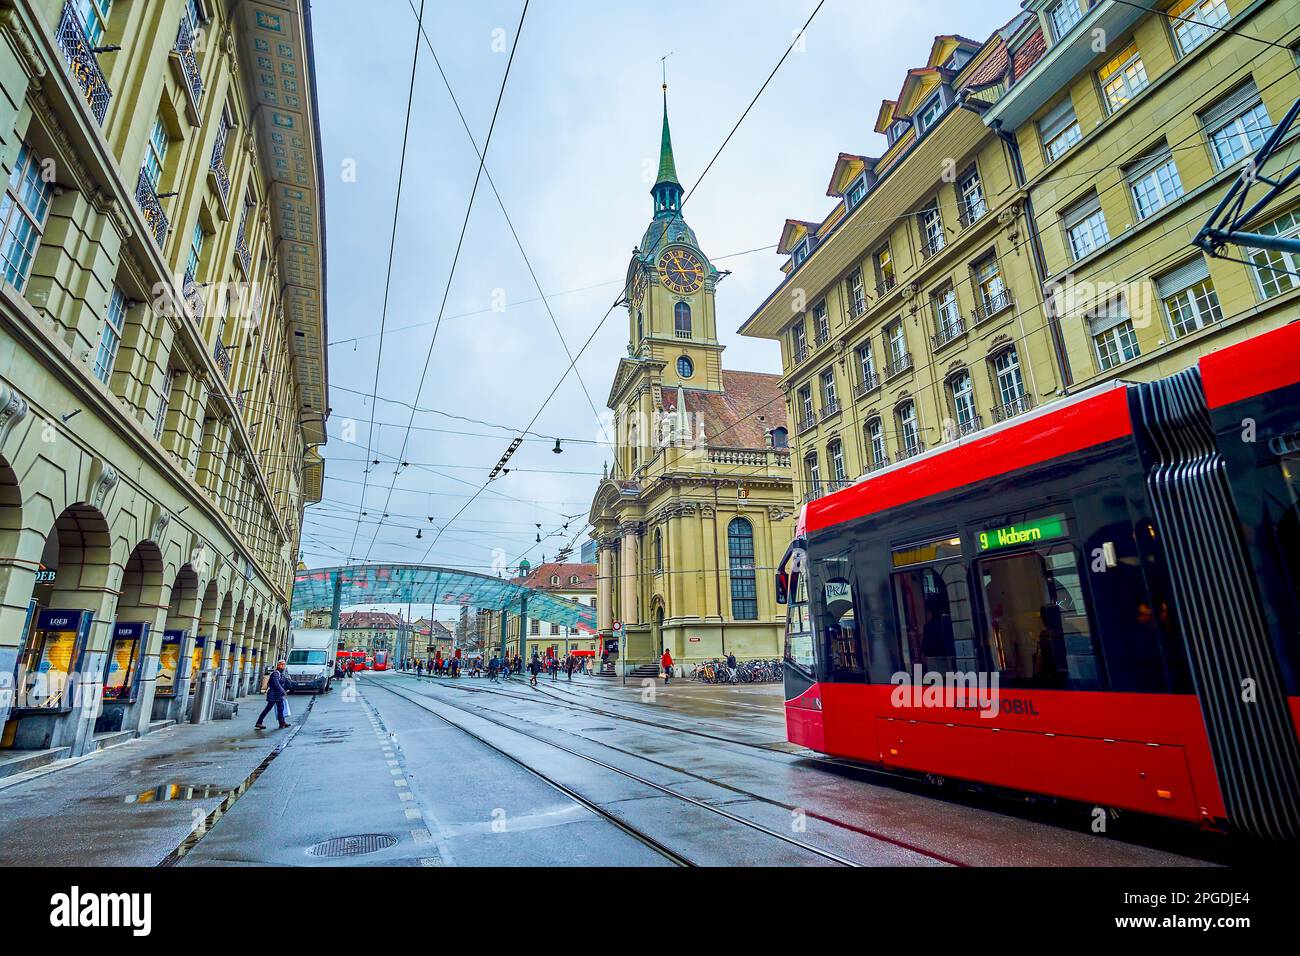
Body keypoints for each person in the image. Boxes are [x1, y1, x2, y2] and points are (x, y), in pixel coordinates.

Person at [255, 660, 292, 729]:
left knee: (281, 708)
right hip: (273, 694)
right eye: (282, 664)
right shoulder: (275, 674)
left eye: (284, 665)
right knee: (268, 708)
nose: (283, 666)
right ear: (278, 665)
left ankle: (282, 723)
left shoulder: (281, 674)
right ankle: (259, 722)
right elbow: (276, 684)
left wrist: (287, 676)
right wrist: (283, 692)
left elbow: (285, 683)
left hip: (278, 695)